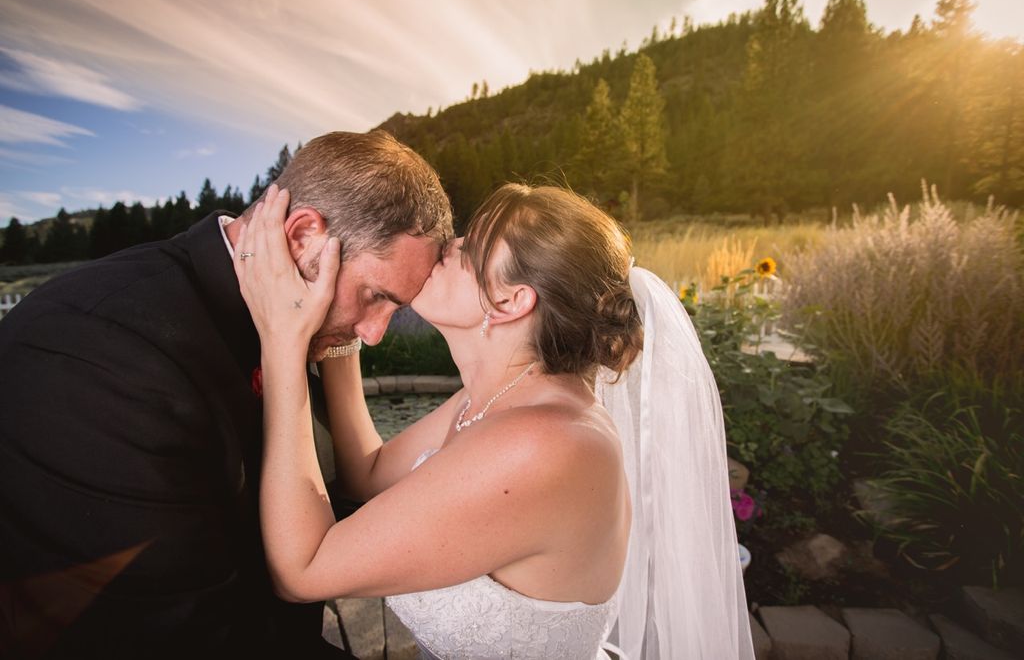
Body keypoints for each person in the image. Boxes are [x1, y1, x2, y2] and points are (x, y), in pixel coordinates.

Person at [235, 183, 755, 659]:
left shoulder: (544, 442)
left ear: (510, 301)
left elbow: (302, 571)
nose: (446, 247)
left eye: (467, 247)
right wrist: (338, 317)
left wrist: (282, 337)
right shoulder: (496, 401)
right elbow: (367, 474)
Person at [0, 130, 453, 658]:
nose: (375, 334)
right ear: (303, 236)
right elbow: (189, 635)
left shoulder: (295, 322)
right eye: (376, 296)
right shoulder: (104, 354)